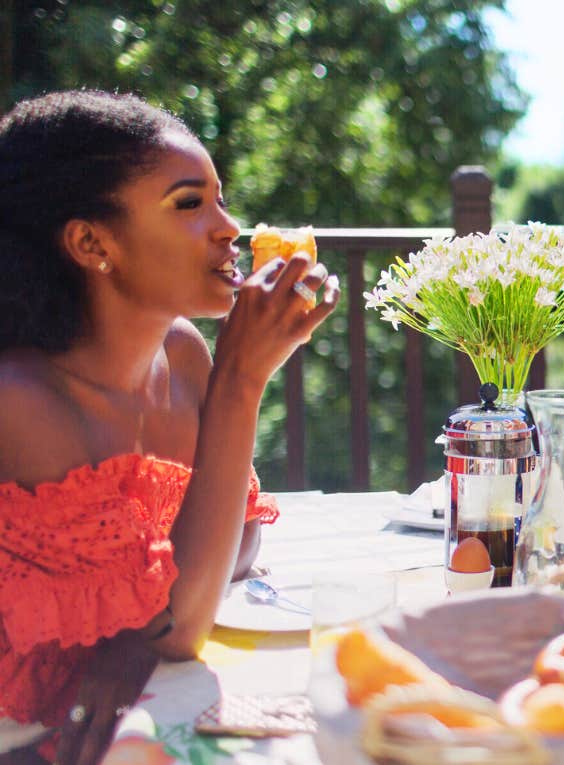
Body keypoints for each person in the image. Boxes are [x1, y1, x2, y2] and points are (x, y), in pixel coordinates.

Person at [0, 90, 338, 764]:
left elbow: (239, 536)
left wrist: (140, 634)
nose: (229, 227)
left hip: (145, 710)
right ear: (92, 242)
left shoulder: (182, 354)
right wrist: (243, 380)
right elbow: (181, 626)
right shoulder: (21, 399)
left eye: (220, 199)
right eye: (190, 204)